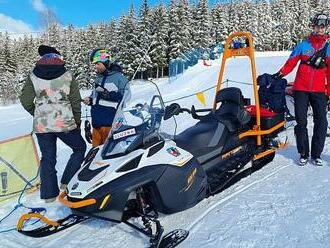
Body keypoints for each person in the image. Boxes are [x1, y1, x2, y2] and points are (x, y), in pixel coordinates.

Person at [20, 45, 86, 202]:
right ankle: (67, 182)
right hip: (64, 123)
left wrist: (38, 114)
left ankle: (49, 195)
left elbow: (25, 100)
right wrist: (77, 120)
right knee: (79, 148)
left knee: (47, 157)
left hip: (42, 125)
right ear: (58, 58)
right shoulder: (68, 75)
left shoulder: (33, 76)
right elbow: (75, 101)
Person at [274, 13, 330, 166]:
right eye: (318, 25)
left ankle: (316, 154)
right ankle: (303, 153)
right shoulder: (303, 45)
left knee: (321, 122)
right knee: (301, 121)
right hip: (301, 89)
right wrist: (280, 74)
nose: (320, 28)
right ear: (313, 26)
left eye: (323, 26)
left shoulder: (329, 48)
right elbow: (291, 62)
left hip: (319, 91)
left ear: (326, 28)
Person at [83, 49, 128, 147]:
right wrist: (90, 100)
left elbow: (126, 96)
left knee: (111, 154)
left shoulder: (118, 77)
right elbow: (95, 96)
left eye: (98, 64)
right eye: (95, 64)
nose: (96, 66)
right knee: (96, 156)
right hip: (96, 124)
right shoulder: (98, 78)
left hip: (111, 124)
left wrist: (109, 95)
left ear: (106, 62)